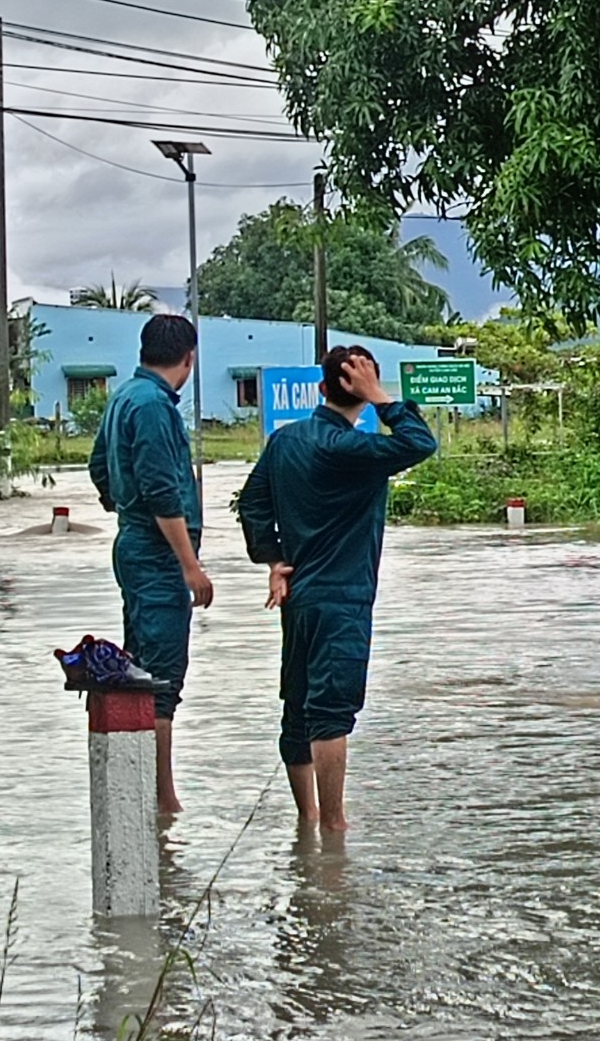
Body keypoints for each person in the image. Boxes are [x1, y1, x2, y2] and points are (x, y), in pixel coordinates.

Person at [238, 345, 437, 834]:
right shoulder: (353, 451)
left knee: (298, 707)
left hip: (299, 596)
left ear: (322, 389)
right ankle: (333, 826)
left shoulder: (285, 442)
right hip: (343, 600)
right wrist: (382, 399)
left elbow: (252, 503)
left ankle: (306, 820)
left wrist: (273, 558)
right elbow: (419, 443)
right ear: (358, 392)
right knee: (331, 712)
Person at [89, 312, 214, 816]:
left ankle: (142, 795)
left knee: (139, 669)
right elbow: (164, 492)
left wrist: (119, 501)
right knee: (162, 679)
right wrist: (190, 566)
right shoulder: (155, 408)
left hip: (132, 545)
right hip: (158, 554)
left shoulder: (122, 397)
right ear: (189, 358)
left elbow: (99, 466)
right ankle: (163, 800)